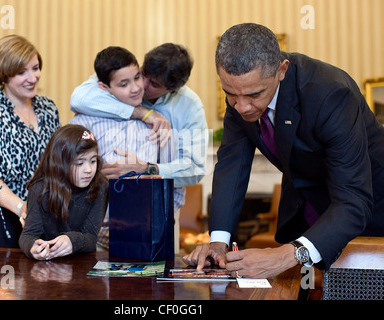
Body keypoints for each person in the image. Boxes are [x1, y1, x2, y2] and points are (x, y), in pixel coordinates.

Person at [183, 23, 384, 279]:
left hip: (367, 207)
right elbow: (231, 167)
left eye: (254, 94)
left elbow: (353, 200)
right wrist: (218, 242)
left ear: (281, 70)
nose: (242, 107)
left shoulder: (330, 94)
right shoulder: (241, 95)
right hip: (306, 206)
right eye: (230, 94)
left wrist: (286, 255)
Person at [69, 46, 185, 250]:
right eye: (124, 84)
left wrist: (157, 222)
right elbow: (65, 176)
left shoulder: (159, 124)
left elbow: (174, 185)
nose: (135, 88)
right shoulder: (84, 123)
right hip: (94, 233)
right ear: (104, 87)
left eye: (137, 77)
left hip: (146, 233)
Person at [70, 43, 208, 188]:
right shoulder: (121, 73)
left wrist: (146, 170)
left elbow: (196, 169)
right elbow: (78, 99)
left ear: (171, 91)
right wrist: (143, 113)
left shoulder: (190, 106)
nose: (140, 85)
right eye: (142, 74)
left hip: (162, 201)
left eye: (153, 84)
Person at [0, 35, 61, 248]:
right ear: (4, 76)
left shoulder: (48, 109)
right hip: (3, 214)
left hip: (43, 213)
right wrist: (22, 208)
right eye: (22, 72)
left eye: (35, 68)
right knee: (7, 279)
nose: (33, 77)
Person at [19, 124, 108, 260]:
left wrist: (72, 241)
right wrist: (33, 247)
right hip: (47, 267)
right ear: (60, 163)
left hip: (83, 265)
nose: (89, 169)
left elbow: (91, 237)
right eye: (79, 163)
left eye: (93, 161)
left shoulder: (101, 186)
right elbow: (28, 235)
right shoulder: (40, 188)